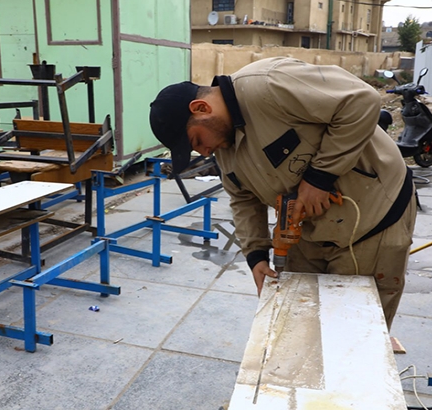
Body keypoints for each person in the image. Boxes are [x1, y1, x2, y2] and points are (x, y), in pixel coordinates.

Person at [149, 57, 416, 328]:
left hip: (372, 220)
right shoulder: (224, 147)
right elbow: (243, 199)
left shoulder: (267, 84)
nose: (205, 152)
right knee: (300, 327)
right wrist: (256, 255)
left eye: (197, 141)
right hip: (309, 235)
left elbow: (361, 101)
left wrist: (320, 178)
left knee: (355, 331)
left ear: (201, 108)